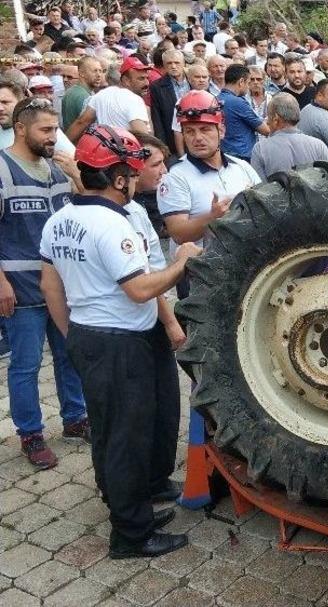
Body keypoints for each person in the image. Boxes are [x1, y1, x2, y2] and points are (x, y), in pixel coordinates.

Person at [40, 125, 199, 559]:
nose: (134, 180)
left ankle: (132, 506)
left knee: (114, 431)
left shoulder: (60, 219)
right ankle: (131, 534)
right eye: (130, 172)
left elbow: (50, 283)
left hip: (94, 335)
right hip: (120, 340)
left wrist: (74, 334)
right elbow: (142, 288)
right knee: (125, 437)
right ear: (117, 178)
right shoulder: (113, 225)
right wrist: (181, 261)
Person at [0, 97, 87, 470]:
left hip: (58, 286)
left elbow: (82, 212)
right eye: (46, 130)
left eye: (55, 129)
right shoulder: (2, 169)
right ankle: (31, 434)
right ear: (21, 128)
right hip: (19, 290)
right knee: (26, 364)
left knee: (69, 355)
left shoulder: (54, 169)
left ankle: (75, 418)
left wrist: (77, 176)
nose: (54, 137)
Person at [158, 91, 260, 275]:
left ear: (221, 131)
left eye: (205, 129)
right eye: (189, 131)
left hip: (244, 267)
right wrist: (213, 217)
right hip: (202, 276)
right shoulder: (175, 177)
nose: (197, 138)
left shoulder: (242, 166)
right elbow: (178, 233)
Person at [66, 55, 153, 141]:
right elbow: (143, 137)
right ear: (126, 81)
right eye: (141, 79)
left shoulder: (101, 95)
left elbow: (81, 122)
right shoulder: (134, 100)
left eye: (147, 78)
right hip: (128, 153)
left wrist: (63, 146)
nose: (147, 83)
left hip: (105, 152)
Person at [250, 94, 328, 180]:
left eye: (268, 117)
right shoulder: (319, 146)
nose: (267, 123)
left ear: (275, 119)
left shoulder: (260, 149)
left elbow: (260, 188)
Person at [218, 64, 270, 161]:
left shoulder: (217, 98)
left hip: (224, 154)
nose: (248, 87)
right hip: (241, 157)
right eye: (248, 82)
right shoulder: (238, 102)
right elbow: (265, 130)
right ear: (241, 81)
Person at [148, 50, 188, 155]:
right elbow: (157, 119)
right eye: (169, 63)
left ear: (183, 63)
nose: (173, 66)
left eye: (177, 63)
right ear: (164, 66)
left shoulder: (193, 80)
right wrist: (163, 147)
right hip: (172, 140)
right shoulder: (156, 87)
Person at [62, 56, 105, 130]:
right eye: (95, 71)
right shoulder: (83, 96)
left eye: (100, 71)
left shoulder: (72, 91)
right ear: (82, 73)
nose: (99, 75)